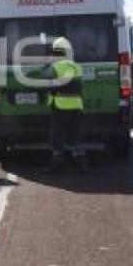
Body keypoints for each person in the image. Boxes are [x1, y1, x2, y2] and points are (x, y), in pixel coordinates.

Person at [44, 37, 87, 172]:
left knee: (58, 136)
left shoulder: (55, 67)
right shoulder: (76, 67)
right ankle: (81, 164)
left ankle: (56, 164)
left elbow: (44, 75)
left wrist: (46, 64)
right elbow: (81, 86)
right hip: (76, 107)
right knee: (75, 135)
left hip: (60, 106)